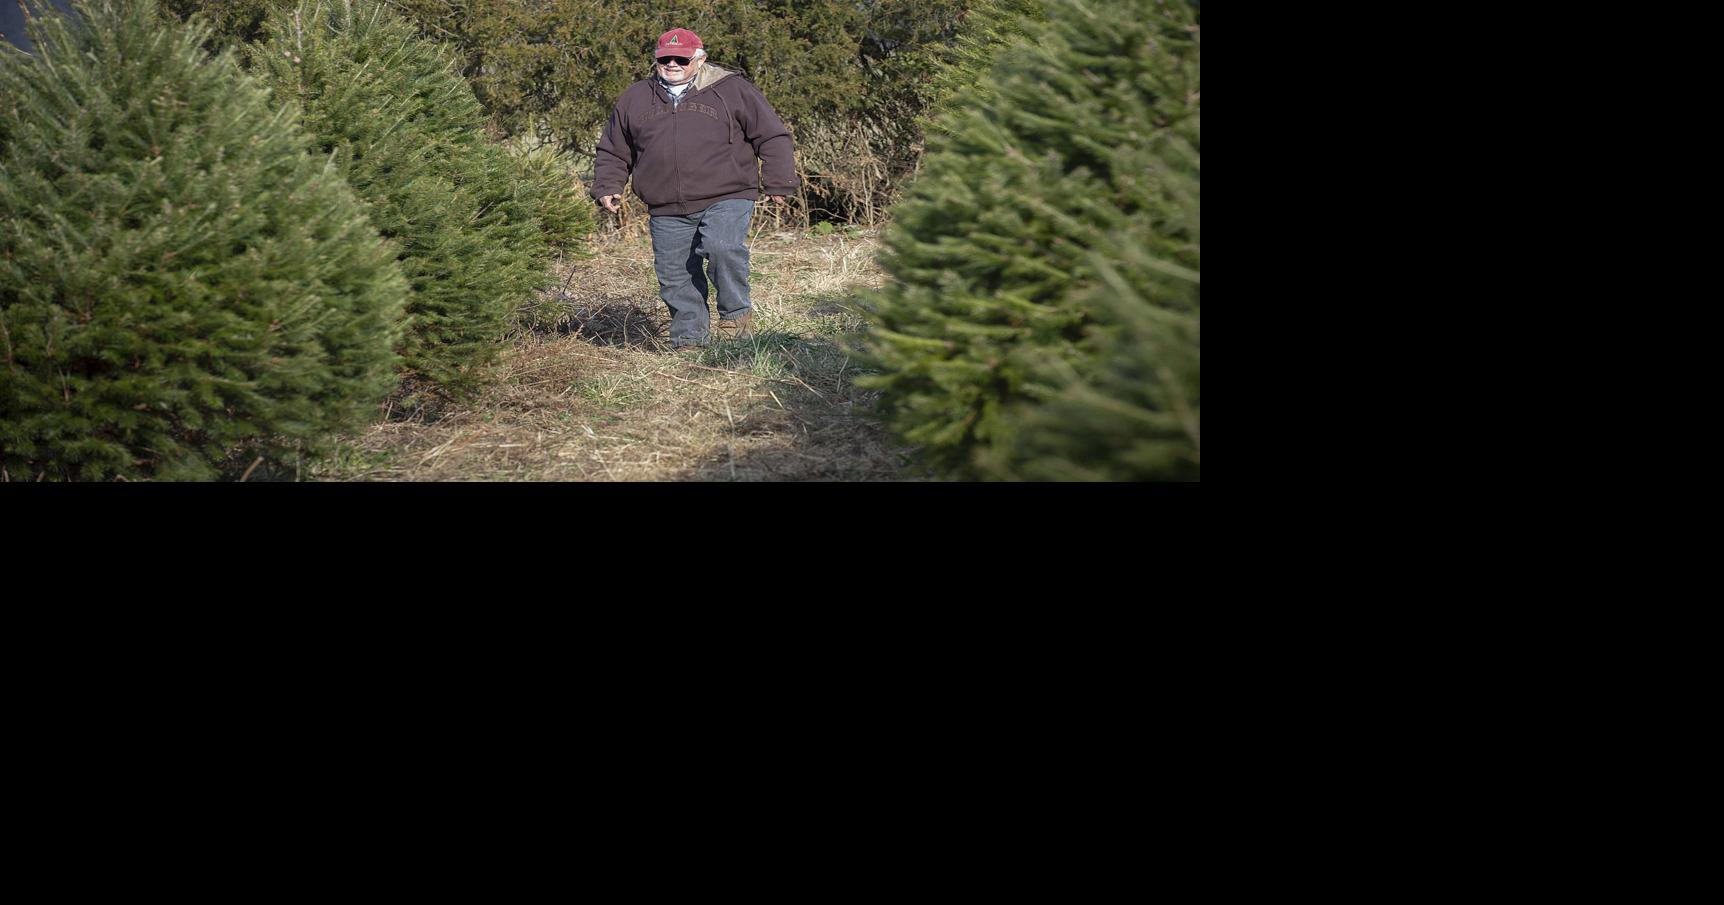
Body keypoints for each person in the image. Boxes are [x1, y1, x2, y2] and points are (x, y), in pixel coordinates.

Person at [592, 28, 797, 350]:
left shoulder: (732, 90)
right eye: (665, 59)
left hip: (727, 193)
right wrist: (607, 185)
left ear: (699, 59)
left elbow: (772, 136)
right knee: (675, 275)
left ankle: (735, 317)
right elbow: (614, 149)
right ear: (656, 60)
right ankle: (690, 341)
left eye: (681, 58)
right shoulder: (636, 96)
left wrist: (779, 181)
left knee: (722, 247)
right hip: (664, 204)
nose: (672, 64)